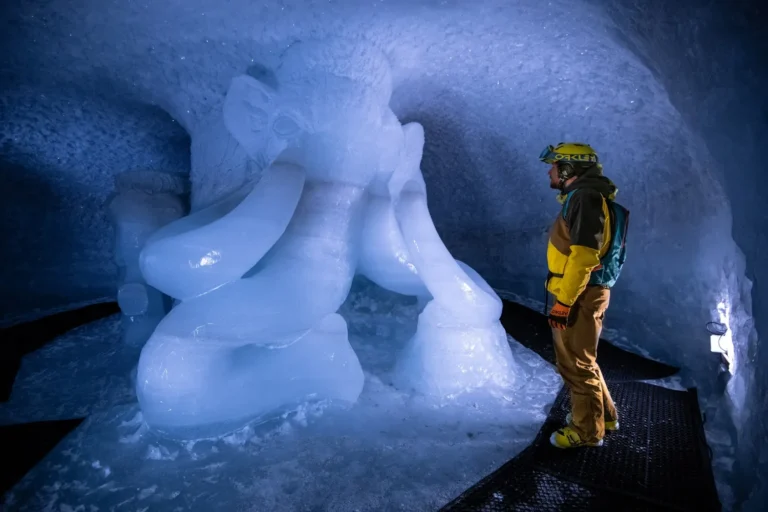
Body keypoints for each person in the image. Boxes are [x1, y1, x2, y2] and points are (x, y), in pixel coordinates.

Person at [539, 142, 630, 449]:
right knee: (584, 360)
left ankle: (587, 432)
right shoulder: (589, 197)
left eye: (554, 166)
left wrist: (564, 303)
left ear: (569, 170)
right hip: (585, 291)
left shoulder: (584, 198)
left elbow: (583, 257)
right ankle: (605, 417)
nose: (550, 172)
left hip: (579, 294)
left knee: (575, 365)